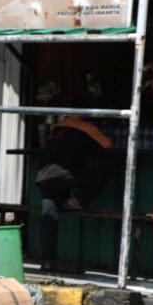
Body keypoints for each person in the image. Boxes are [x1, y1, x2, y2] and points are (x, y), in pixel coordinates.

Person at [34, 115, 111, 273]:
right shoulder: (85, 127)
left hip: (45, 177)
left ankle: (48, 260)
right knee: (105, 171)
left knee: (49, 217)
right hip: (65, 176)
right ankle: (78, 200)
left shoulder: (58, 127)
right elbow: (108, 145)